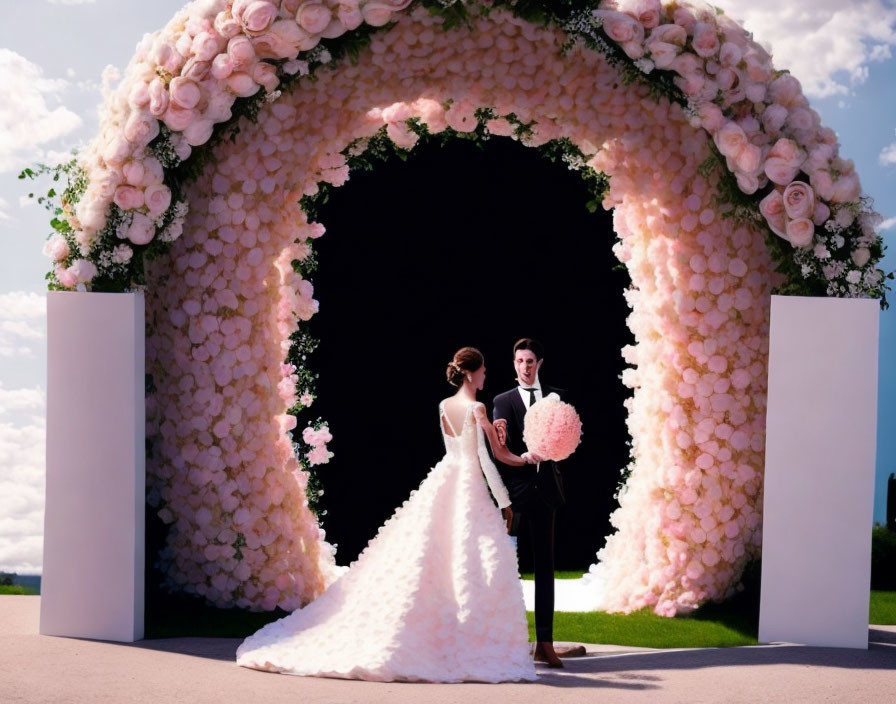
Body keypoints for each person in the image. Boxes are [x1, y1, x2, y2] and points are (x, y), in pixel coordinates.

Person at [237, 347, 538, 682]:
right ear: (471, 373)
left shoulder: (444, 406)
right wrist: (504, 499)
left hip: (445, 479)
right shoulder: (476, 407)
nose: (485, 376)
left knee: (436, 556)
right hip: (468, 486)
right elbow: (484, 457)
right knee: (473, 560)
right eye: (482, 371)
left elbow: (455, 450)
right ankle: (470, 636)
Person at [492, 338, 585, 668]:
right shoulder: (502, 401)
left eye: (530, 361)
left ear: (539, 363)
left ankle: (544, 643)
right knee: (507, 568)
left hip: (546, 491)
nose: (525, 367)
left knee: (545, 568)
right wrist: (519, 460)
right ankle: (507, 642)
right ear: (513, 363)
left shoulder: (556, 397)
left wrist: (552, 452)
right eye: (519, 361)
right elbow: (498, 446)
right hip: (516, 494)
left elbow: (568, 439)